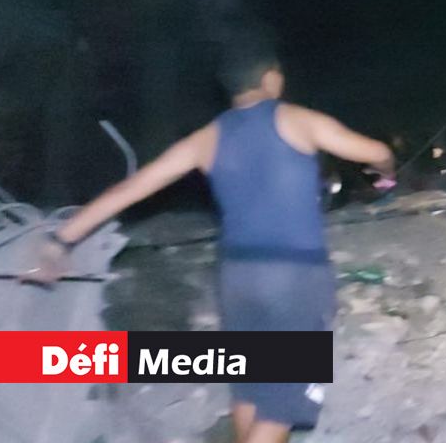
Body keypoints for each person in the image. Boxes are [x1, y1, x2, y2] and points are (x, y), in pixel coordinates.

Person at [23, 27, 396, 443]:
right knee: (282, 406)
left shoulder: (206, 139)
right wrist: (384, 172)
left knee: (252, 386)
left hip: (236, 280)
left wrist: (59, 242)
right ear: (272, 78)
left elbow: (129, 189)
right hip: (294, 278)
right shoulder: (298, 120)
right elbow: (377, 152)